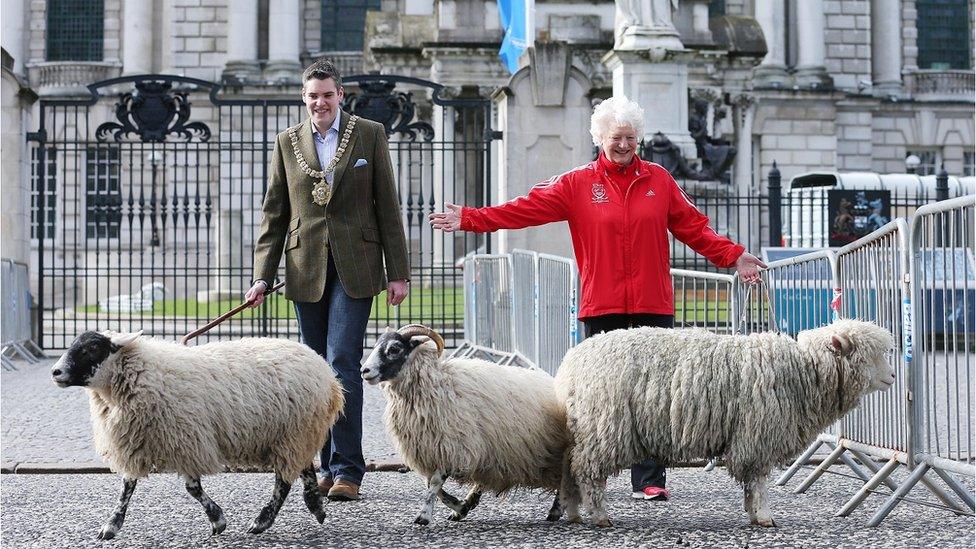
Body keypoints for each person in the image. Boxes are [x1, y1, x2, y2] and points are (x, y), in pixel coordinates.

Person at [428, 95, 766, 502]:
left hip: (651, 305)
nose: (623, 145)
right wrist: (469, 218)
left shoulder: (659, 180)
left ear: (638, 139)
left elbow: (695, 229)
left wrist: (734, 255)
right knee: (599, 396)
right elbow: (523, 210)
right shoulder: (576, 183)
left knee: (655, 395)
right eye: (615, 138)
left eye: (630, 137)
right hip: (601, 304)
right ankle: (591, 475)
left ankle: (650, 478)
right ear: (599, 139)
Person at [245, 59, 410, 502]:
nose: (320, 102)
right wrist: (262, 276)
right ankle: (323, 465)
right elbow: (275, 214)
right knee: (314, 371)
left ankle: (348, 470)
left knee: (342, 362)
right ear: (305, 98)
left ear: (341, 95)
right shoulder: (287, 142)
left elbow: (387, 207)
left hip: (356, 265)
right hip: (305, 268)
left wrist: (398, 273)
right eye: (313, 95)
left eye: (328, 95)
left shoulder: (369, 134)